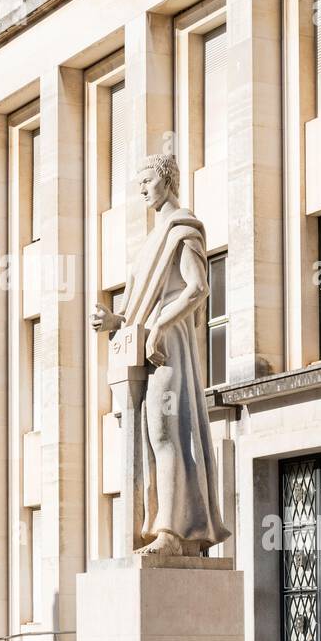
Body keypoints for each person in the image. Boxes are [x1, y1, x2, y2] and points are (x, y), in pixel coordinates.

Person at [91, 154, 229, 555]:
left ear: (167, 180)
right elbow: (140, 306)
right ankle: (161, 526)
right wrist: (115, 320)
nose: (143, 189)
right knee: (148, 440)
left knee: (165, 431)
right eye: (139, 184)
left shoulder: (182, 229)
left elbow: (197, 288)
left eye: (148, 180)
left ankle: (172, 532)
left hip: (168, 346)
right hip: (142, 344)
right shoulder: (149, 241)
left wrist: (161, 327)